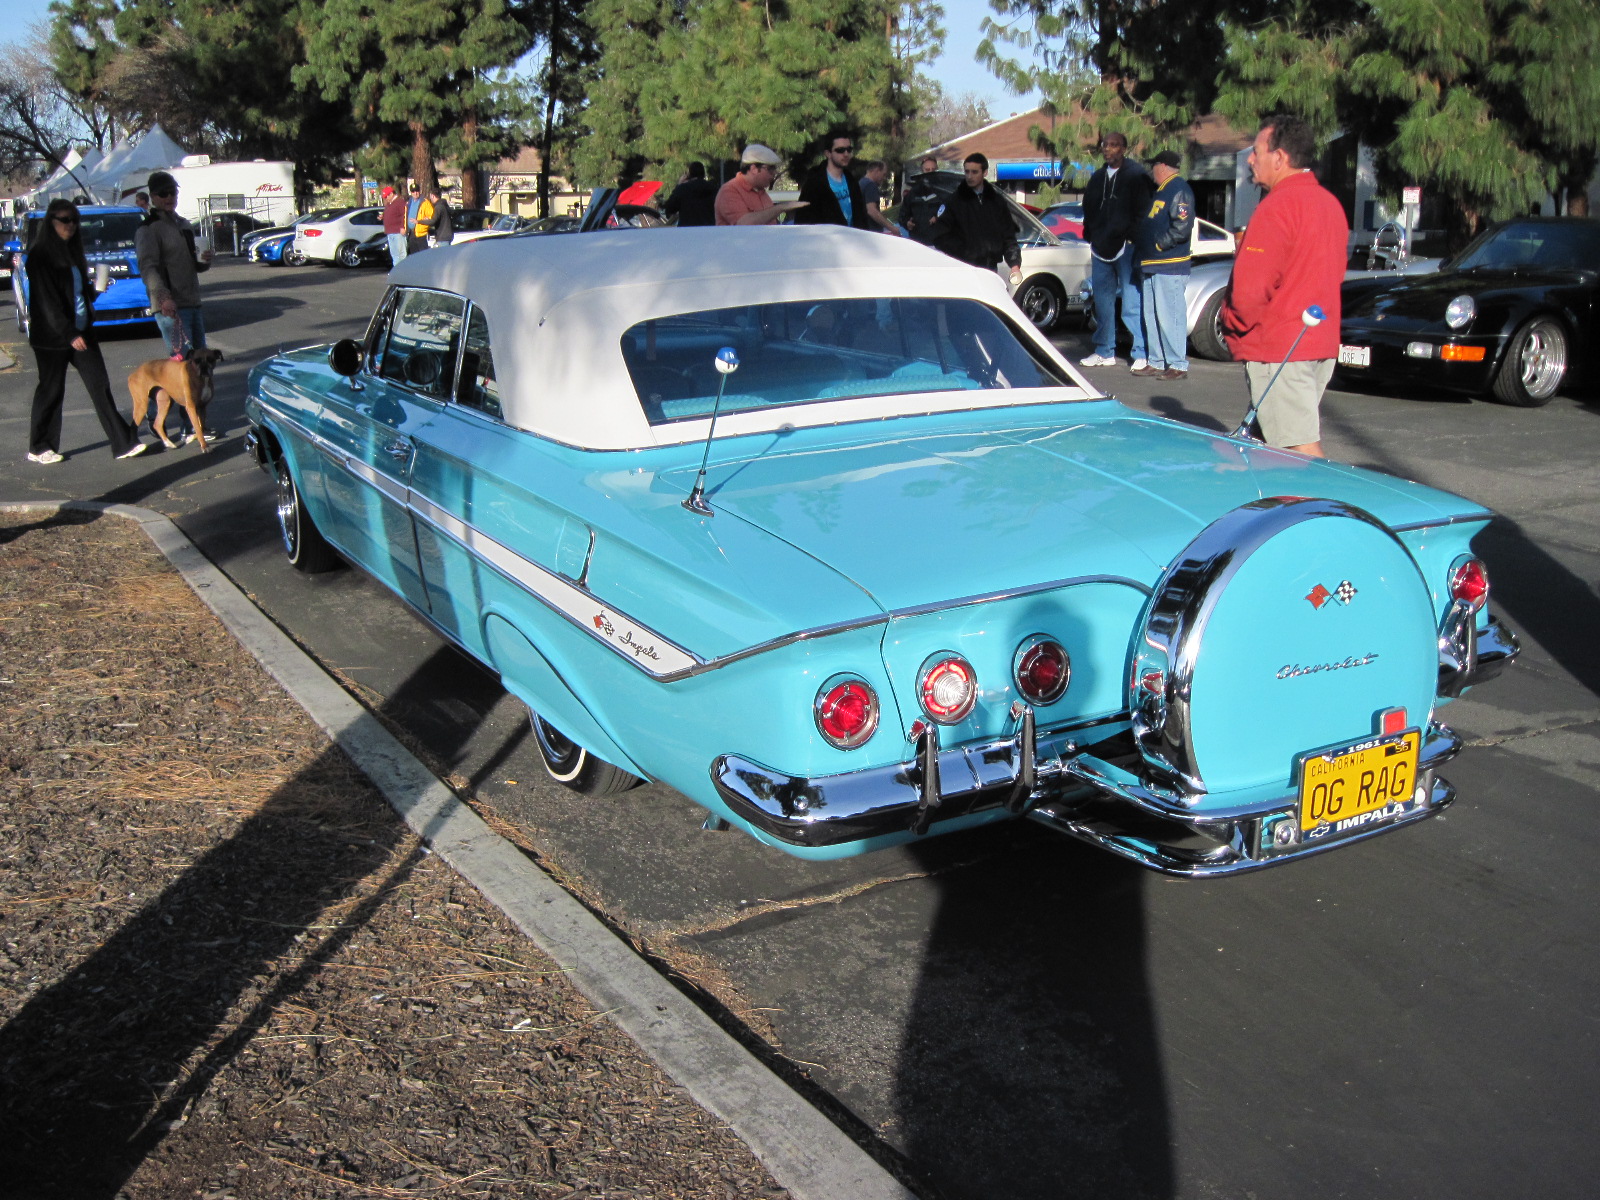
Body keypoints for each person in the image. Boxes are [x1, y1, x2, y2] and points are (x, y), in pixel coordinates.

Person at [1221, 113, 1348, 458]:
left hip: (1280, 348)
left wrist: (1231, 320)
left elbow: (1250, 290)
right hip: (1317, 342)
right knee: (1272, 446)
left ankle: (1324, 509)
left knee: (1299, 452)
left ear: (1280, 158)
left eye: (1257, 151)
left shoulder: (1276, 207)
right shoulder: (1330, 204)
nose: (1250, 158)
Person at [24, 199, 146, 463]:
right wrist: (69, 333)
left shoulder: (72, 252)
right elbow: (47, 302)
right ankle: (39, 446)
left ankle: (123, 443)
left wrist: (96, 289)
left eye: (74, 220)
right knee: (51, 390)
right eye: (65, 219)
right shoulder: (40, 256)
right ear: (51, 222)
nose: (71, 225)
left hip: (82, 329)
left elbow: (75, 294)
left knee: (99, 384)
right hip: (54, 337)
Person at [1079, 131, 1151, 370]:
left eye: (1114, 145)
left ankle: (1140, 351)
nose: (1108, 149)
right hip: (1100, 247)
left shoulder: (1137, 175)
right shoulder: (1097, 177)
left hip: (1127, 248)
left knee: (1132, 302)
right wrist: (1090, 234)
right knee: (1103, 302)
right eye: (1105, 145)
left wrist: (1132, 236)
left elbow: (1143, 212)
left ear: (1124, 148)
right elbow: (1088, 208)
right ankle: (1104, 350)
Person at [1133, 150, 1195, 381]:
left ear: (1164, 166)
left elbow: (1182, 226)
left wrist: (1159, 245)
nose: (1152, 170)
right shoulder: (1162, 190)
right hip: (1151, 264)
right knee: (1153, 315)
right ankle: (1157, 361)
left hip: (1169, 263)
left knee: (1171, 315)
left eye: (1154, 165)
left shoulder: (1179, 189)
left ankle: (1178, 363)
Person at [932, 154, 1021, 284]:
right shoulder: (954, 202)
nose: (969, 176)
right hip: (963, 269)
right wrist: (965, 252)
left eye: (974, 172)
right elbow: (940, 236)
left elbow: (1008, 235)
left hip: (990, 269)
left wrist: (1014, 265)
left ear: (985, 172)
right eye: (967, 171)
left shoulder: (996, 201)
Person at [714, 145, 808, 226]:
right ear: (754, 168)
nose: (774, 173)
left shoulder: (761, 192)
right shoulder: (729, 191)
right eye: (770, 168)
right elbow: (743, 224)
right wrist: (781, 208)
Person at [795, 132, 871, 228]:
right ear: (828, 153)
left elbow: (861, 216)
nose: (846, 154)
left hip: (853, 239)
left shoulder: (851, 180)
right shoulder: (815, 183)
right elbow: (803, 219)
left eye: (849, 149)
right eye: (840, 150)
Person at [858, 161, 904, 236]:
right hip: (871, 232)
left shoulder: (861, 183)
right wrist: (891, 228)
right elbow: (872, 211)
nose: (884, 178)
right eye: (884, 174)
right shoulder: (870, 185)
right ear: (877, 170)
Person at [382, 182, 409, 264]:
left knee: (401, 254)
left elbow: (404, 215)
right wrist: (383, 217)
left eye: (387, 196)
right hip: (390, 232)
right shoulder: (389, 204)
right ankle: (396, 270)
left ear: (391, 194)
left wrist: (403, 227)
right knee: (394, 254)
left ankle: (402, 272)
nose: (386, 198)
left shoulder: (400, 202)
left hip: (398, 232)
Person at [404, 183, 425, 254]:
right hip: (411, 233)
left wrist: (420, 221)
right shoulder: (408, 203)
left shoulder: (424, 202)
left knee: (423, 255)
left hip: (420, 233)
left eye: (417, 191)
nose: (415, 193)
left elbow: (431, 216)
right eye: (413, 191)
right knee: (414, 255)